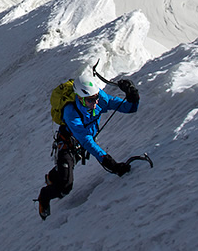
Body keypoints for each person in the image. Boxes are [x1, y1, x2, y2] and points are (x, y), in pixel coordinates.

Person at [37, 69, 139, 220]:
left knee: (65, 171)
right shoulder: (70, 112)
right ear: (79, 97)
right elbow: (87, 141)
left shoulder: (99, 98)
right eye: (90, 100)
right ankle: (44, 196)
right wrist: (112, 164)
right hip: (68, 146)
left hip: (79, 146)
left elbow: (129, 108)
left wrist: (132, 94)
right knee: (65, 186)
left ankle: (53, 176)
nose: (95, 102)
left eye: (95, 98)